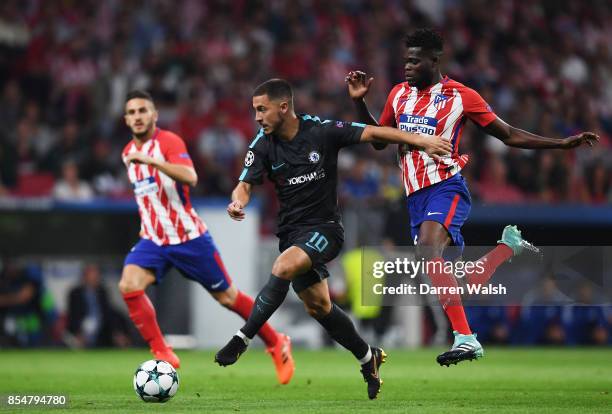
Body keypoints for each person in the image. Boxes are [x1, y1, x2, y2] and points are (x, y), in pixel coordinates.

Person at [345, 28, 599, 366]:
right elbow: (378, 140)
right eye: (405, 60)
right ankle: (506, 248)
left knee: (426, 253)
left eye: (414, 60)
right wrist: (360, 102)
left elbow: (507, 134)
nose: (407, 66)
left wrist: (560, 143)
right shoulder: (397, 94)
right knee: (452, 282)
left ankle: (466, 339)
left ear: (434, 61)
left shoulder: (460, 96)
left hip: (446, 188)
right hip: (415, 199)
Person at [214, 78, 452, 399]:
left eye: (262, 109)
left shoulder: (321, 131)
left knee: (283, 266)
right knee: (319, 307)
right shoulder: (263, 144)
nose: (257, 116)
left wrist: (421, 140)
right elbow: (245, 183)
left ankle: (243, 338)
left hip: (326, 230)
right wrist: (237, 201)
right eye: (255, 110)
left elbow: (374, 133)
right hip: (292, 234)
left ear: (283, 107)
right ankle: (369, 357)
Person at [118, 90, 295, 385]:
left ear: (154, 115)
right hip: (154, 239)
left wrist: (152, 162)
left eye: (143, 111)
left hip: (189, 237)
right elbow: (146, 194)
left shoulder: (168, 142)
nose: (138, 117)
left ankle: (277, 342)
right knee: (128, 284)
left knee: (228, 297)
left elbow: (190, 177)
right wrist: (146, 221)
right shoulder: (127, 154)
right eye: (132, 112)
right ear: (126, 119)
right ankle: (162, 352)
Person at [66, 263, 131, 348]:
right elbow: (73, 315)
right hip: (81, 330)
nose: (95, 277)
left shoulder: (102, 292)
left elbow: (109, 313)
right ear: (84, 276)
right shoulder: (75, 293)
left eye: (96, 274)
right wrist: (78, 332)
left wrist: (117, 332)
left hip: (101, 330)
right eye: (91, 274)